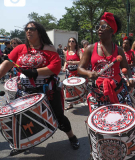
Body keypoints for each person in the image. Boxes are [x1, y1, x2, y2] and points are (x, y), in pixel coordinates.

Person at [0, 21, 80, 156]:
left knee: (59, 116)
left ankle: (72, 137)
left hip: (47, 90)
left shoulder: (49, 48)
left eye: (32, 28)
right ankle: (21, 143)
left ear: (39, 32)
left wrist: (35, 72)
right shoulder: (20, 49)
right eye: (26, 29)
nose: (28, 31)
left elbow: (55, 67)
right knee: (21, 119)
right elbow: (7, 64)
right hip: (25, 91)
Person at [77, 12, 135, 113]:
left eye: (103, 26)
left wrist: (130, 79)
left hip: (118, 91)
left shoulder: (119, 50)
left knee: (122, 124)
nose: (99, 29)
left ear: (112, 30)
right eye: (98, 26)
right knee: (99, 126)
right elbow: (80, 69)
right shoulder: (90, 48)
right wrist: (88, 73)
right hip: (97, 94)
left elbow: (126, 68)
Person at [122, 36, 135, 106]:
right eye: (124, 43)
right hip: (121, 71)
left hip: (129, 71)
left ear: (129, 45)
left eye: (126, 43)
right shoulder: (119, 51)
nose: (125, 44)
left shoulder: (131, 53)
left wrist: (127, 66)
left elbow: (133, 63)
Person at [62, 37, 81, 110]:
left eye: (73, 41)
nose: (71, 42)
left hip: (77, 72)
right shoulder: (66, 52)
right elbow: (66, 61)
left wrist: (73, 62)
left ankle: (81, 98)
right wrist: (64, 67)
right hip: (69, 72)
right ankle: (70, 104)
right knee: (68, 88)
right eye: (69, 41)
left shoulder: (78, 51)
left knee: (78, 87)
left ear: (75, 43)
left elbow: (82, 61)